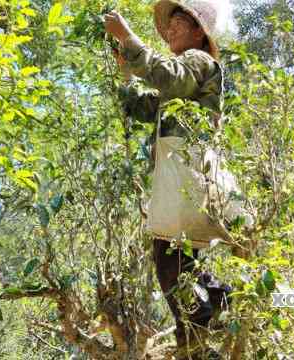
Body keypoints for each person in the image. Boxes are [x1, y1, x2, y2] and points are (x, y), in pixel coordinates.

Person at [105, 1, 231, 358]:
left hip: (185, 169)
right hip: (176, 170)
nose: (171, 30)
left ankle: (205, 322)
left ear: (198, 33)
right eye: (170, 23)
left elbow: (170, 78)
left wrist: (129, 39)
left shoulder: (200, 61)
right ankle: (211, 314)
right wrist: (128, 75)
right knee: (177, 259)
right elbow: (143, 107)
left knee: (167, 256)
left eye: (179, 23)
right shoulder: (183, 74)